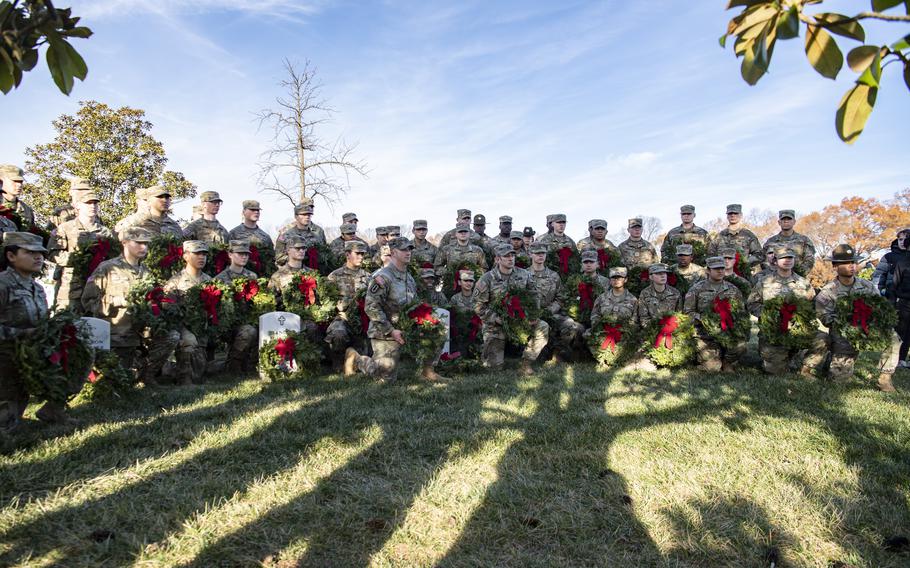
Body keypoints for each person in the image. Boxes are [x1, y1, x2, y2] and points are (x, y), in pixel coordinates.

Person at [0, 232, 76, 428]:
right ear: (11, 256)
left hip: (32, 352)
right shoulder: (3, 285)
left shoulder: (38, 288)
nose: (38, 257)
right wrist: (20, 334)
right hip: (6, 357)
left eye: (41, 253)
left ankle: (53, 410)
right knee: (7, 424)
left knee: (78, 357)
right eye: (30, 252)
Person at [345, 237, 448, 382]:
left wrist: (425, 321)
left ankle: (427, 371)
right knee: (385, 377)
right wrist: (391, 330)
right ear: (393, 252)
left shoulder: (409, 278)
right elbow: (371, 307)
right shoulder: (383, 277)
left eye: (410, 249)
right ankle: (357, 359)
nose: (408, 252)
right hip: (385, 333)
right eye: (404, 250)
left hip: (406, 328)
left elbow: (414, 305)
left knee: (436, 330)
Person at [800, 244, 900, 391]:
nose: (851, 266)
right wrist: (848, 321)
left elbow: (879, 307)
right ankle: (830, 361)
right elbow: (825, 318)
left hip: (867, 328)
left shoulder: (867, 286)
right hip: (843, 334)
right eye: (846, 263)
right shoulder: (828, 292)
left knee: (893, 337)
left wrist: (871, 322)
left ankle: (885, 378)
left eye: (853, 262)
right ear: (835, 266)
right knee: (838, 382)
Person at [82, 227, 156, 384]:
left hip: (139, 336)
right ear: (124, 242)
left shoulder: (147, 273)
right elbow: (88, 301)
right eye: (139, 243)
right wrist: (117, 302)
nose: (144, 247)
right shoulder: (108, 268)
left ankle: (148, 376)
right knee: (114, 383)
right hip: (113, 336)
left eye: (146, 244)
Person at [473, 244, 549, 375]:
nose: (510, 259)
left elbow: (534, 296)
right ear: (497, 259)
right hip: (497, 323)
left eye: (512, 255)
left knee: (543, 326)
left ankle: (526, 363)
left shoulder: (525, 275)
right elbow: (478, 305)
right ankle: (493, 359)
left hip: (521, 320)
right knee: (493, 369)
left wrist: (532, 316)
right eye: (506, 256)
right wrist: (496, 318)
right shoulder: (487, 279)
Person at [746, 247, 815, 374]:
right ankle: (782, 358)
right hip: (773, 332)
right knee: (775, 371)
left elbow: (812, 304)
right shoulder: (764, 282)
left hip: (797, 330)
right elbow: (752, 303)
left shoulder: (803, 283)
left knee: (822, 339)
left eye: (790, 257)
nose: (787, 260)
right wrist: (770, 315)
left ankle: (805, 367)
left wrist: (800, 317)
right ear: (775, 260)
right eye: (783, 258)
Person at [48, 191, 113, 312]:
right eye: (88, 203)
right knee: (66, 323)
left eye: (95, 203)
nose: (92, 206)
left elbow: (113, 258)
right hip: (71, 287)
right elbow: (52, 254)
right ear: (78, 205)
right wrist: (78, 258)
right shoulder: (65, 228)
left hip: (97, 286)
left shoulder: (105, 232)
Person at [684, 256, 746, 372]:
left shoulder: (733, 289)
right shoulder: (696, 289)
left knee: (741, 345)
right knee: (712, 368)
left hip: (728, 331)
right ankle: (709, 359)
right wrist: (704, 319)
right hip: (705, 333)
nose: (720, 271)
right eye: (716, 268)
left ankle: (728, 361)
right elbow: (688, 313)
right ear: (708, 270)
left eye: (722, 268)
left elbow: (741, 313)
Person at [163, 240, 213, 385]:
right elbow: (167, 307)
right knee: (189, 342)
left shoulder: (209, 280)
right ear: (185, 256)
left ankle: (173, 369)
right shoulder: (176, 281)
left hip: (202, 329)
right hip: (182, 326)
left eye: (204, 254)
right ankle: (183, 379)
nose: (202, 257)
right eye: (197, 253)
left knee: (199, 373)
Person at [529, 242, 585, 361]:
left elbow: (560, 297)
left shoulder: (553, 276)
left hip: (551, 312)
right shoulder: (523, 275)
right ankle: (534, 353)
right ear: (531, 255)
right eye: (537, 253)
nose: (540, 256)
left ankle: (558, 351)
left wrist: (550, 310)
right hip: (530, 315)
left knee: (570, 325)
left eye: (543, 253)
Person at [212, 240, 259, 374]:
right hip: (227, 323)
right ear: (230, 255)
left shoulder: (252, 276)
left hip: (248, 318)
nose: (244, 257)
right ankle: (233, 364)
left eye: (246, 254)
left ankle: (252, 363)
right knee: (248, 331)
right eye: (240, 253)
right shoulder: (220, 279)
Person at [325, 241, 371, 369]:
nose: (361, 257)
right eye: (357, 253)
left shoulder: (368, 277)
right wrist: (341, 306)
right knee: (338, 333)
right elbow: (326, 301)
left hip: (363, 319)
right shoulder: (335, 276)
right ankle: (338, 361)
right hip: (343, 317)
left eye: (362, 254)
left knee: (366, 353)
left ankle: (353, 358)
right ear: (347, 254)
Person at [880, 228, 910, 367]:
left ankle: (902, 359)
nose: (902, 242)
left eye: (905, 239)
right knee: (897, 330)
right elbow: (879, 275)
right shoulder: (890, 257)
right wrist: (881, 291)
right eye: (900, 239)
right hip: (894, 297)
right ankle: (891, 360)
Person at [707, 204, 763, 271]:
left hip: (742, 273)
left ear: (741, 215)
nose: (733, 215)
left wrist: (745, 263)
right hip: (722, 274)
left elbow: (759, 255)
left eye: (736, 213)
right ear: (727, 216)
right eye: (730, 213)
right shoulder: (719, 236)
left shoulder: (748, 235)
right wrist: (719, 265)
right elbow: (710, 255)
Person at [763, 210, 816, 275]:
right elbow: (764, 261)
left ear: (794, 222)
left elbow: (809, 261)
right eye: (783, 219)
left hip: (797, 281)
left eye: (789, 219)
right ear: (779, 222)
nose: (786, 221)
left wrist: (799, 275)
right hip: (775, 281)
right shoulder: (770, 242)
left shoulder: (804, 241)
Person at [117, 185, 183, 238]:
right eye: (160, 197)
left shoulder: (175, 226)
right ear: (149, 200)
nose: (165, 200)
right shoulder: (132, 222)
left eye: (167, 197)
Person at [589, 267, 638, 331]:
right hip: (603, 333)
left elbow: (634, 321)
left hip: (624, 335)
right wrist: (599, 329)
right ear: (610, 280)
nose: (616, 280)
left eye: (619, 277)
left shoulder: (633, 300)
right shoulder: (601, 298)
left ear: (625, 279)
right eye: (613, 277)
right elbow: (595, 316)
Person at [636, 263, 682, 328]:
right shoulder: (645, 293)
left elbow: (679, 315)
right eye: (658, 273)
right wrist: (654, 329)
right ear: (651, 277)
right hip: (651, 331)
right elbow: (643, 317)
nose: (663, 276)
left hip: (672, 329)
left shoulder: (675, 293)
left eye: (664, 273)